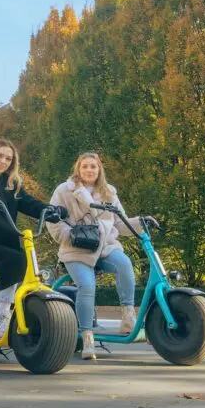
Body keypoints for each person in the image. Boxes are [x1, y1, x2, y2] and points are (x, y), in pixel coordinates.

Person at [46, 152, 157, 360]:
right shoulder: (65, 190)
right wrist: (67, 235)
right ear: (78, 169)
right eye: (85, 166)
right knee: (87, 286)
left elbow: (119, 223)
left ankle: (127, 317)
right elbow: (52, 219)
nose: (89, 170)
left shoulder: (109, 192)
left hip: (104, 246)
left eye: (93, 167)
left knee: (124, 264)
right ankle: (87, 336)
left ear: (99, 170)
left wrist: (140, 223)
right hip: (76, 248)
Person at [0, 138, 67, 338]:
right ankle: (3, 313)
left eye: (8, 158)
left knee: (20, 258)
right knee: (16, 260)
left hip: (6, 245)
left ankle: (13, 310)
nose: (3, 161)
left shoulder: (11, 184)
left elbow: (29, 203)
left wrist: (52, 210)